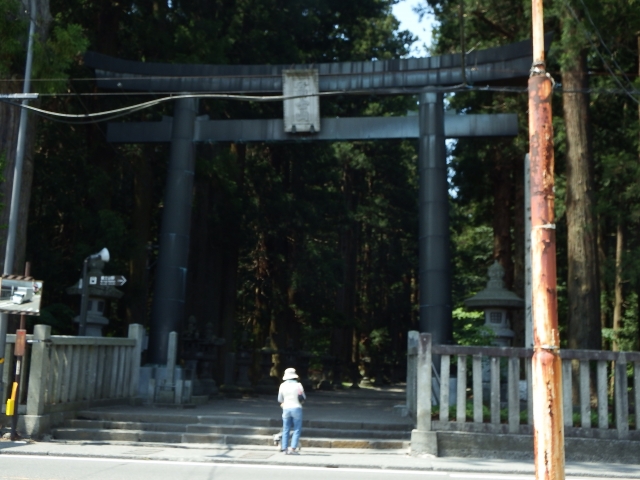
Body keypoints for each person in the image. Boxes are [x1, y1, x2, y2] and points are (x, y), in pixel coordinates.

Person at [277, 367, 306, 454]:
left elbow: (279, 399)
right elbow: (303, 397)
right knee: (297, 429)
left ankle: (284, 448)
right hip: (297, 407)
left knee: (286, 429)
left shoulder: (282, 385)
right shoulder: (298, 385)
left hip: (286, 408)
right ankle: (293, 448)